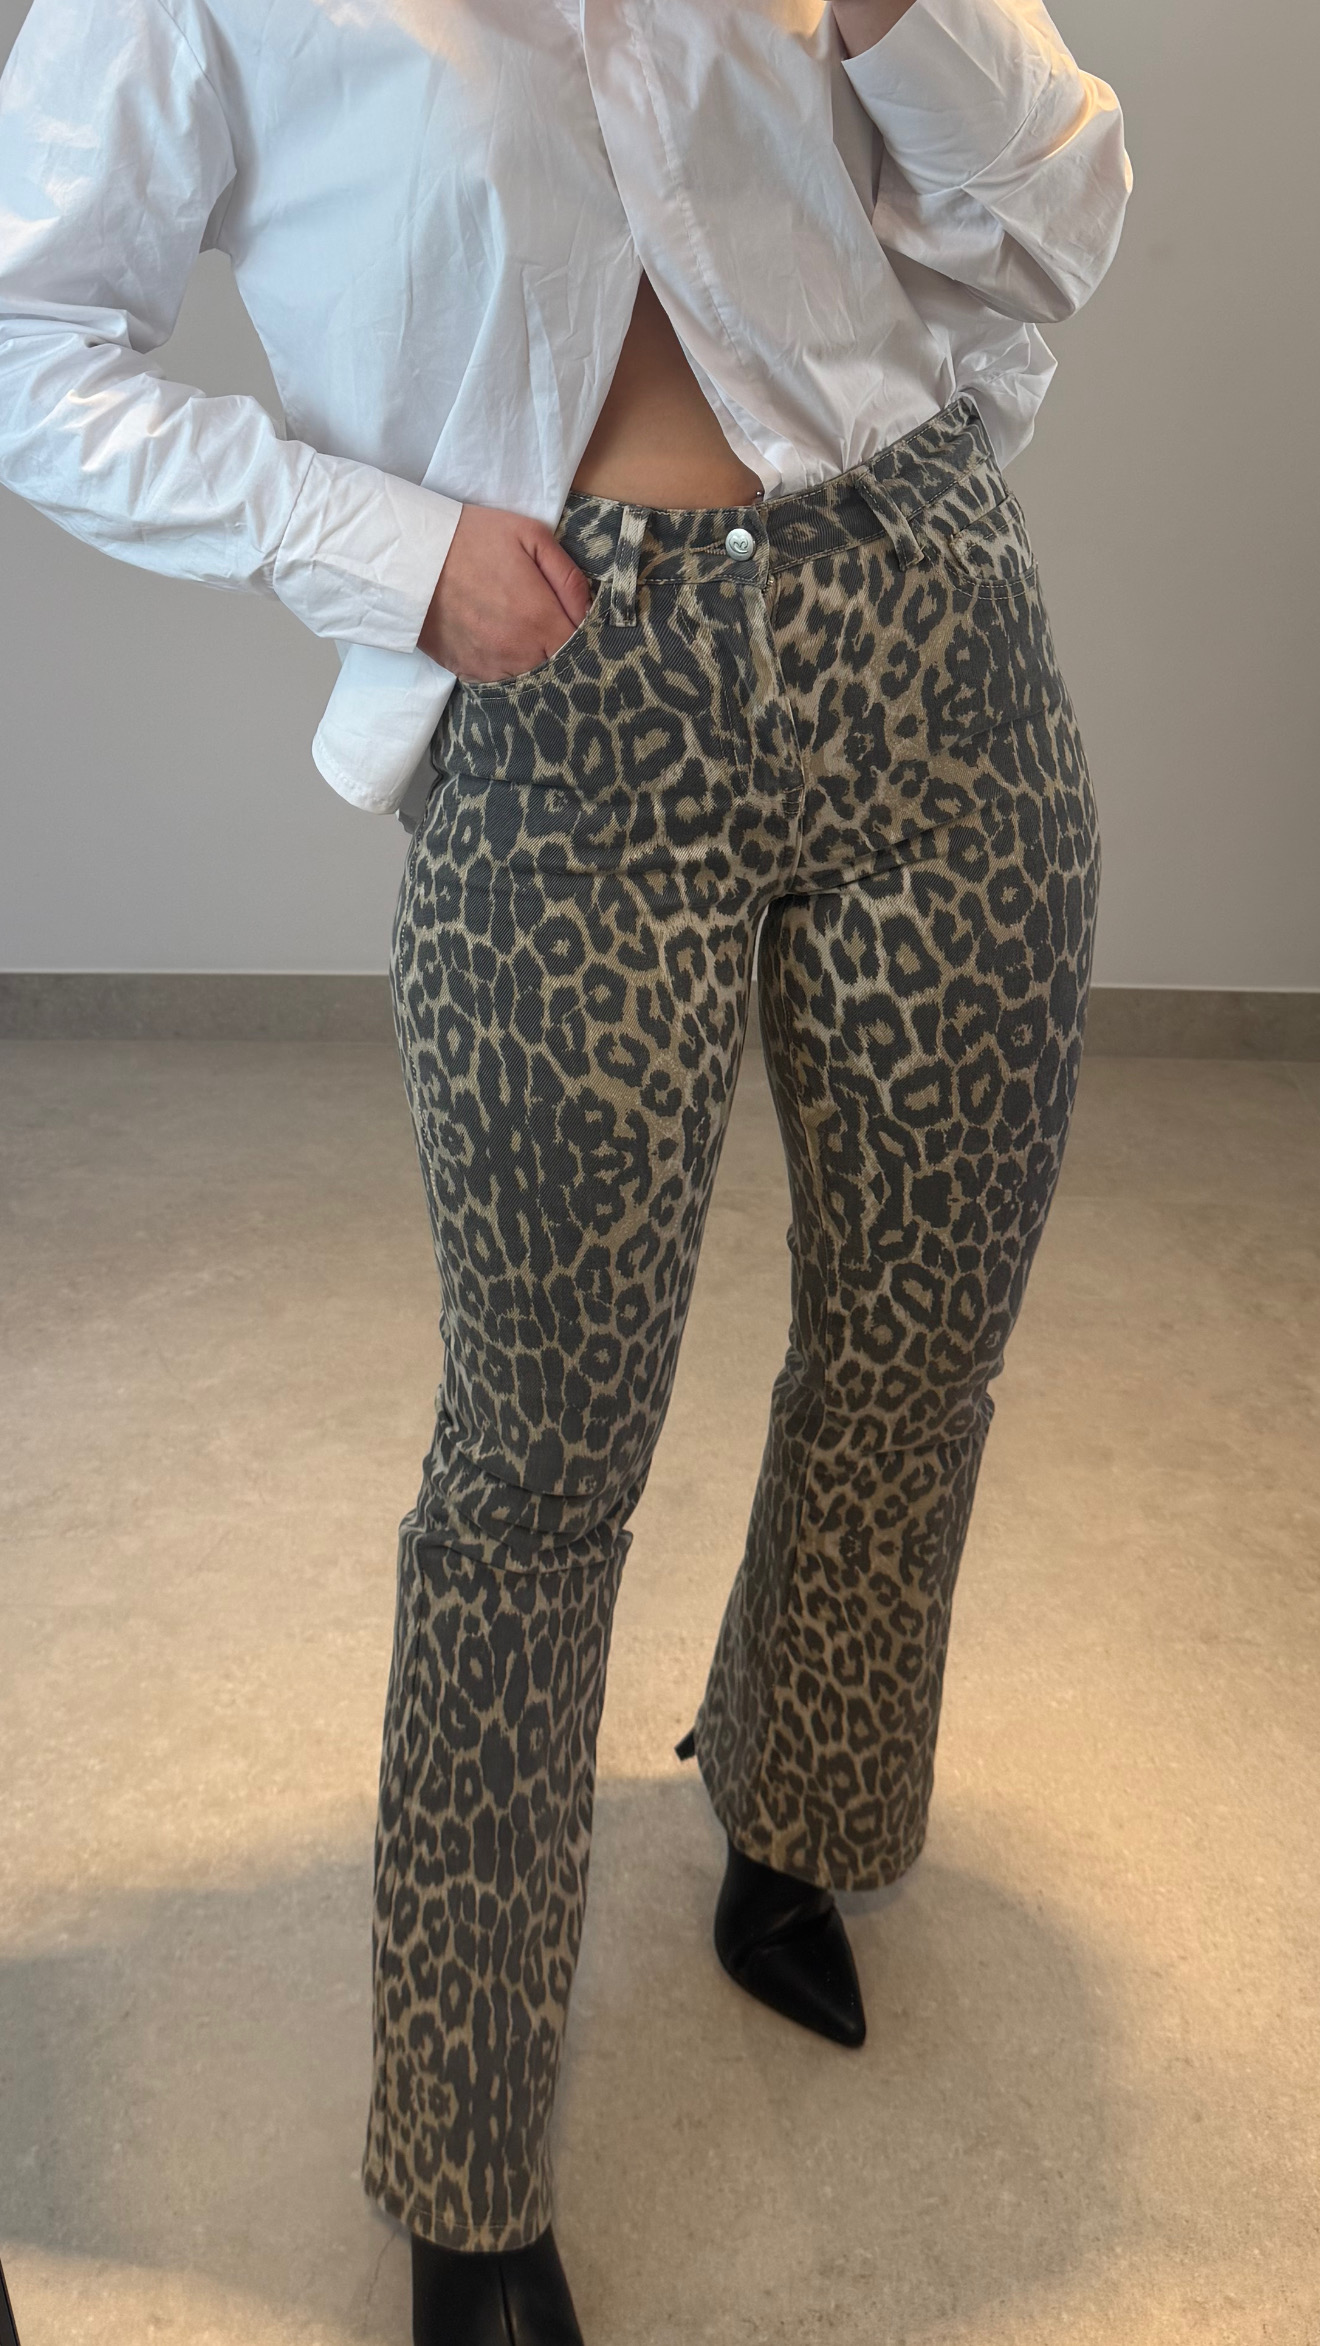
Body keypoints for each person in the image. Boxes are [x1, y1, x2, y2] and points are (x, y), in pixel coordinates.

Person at [0, 1, 1131, 2338]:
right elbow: (28, 342)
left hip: (932, 634)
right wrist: (386, 548)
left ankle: (799, 1813)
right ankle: (466, 2160)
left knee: (919, 1338)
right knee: (534, 1464)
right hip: (566, 699)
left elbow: (1061, 219)